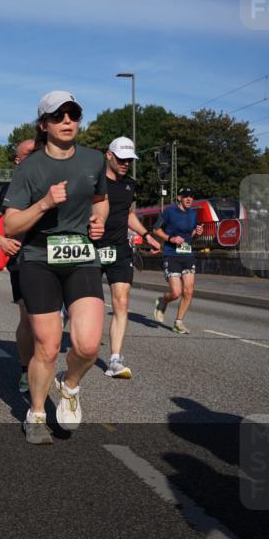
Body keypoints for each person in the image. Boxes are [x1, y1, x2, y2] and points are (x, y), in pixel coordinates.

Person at [3, 91, 108, 444]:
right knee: (47, 347)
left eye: (73, 115)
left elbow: (101, 200)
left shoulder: (94, 160)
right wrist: (44, 203)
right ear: (43, 124)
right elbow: (11, 224)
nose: (67, 121)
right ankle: (36, 414)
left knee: (89, 346)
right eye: (58, 116)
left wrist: (98, 220)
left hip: (82, 256)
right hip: (39, 260)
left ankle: (70, 385)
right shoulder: (29, 168)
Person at [97, 137, 163, 377]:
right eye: (121, 159)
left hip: (119, 248)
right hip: (92, 247)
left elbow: (128, 215)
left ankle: (115, 360)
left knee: (122, 301)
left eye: (129, 160)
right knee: (85, 304)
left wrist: (146, 235)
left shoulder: (130, 184)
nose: (126, 164)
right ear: (109, 155)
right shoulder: (94, 180)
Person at [0, 138, 36, 393]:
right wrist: (1, 241)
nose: (36, 157)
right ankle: (26, 369)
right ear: (18, 161)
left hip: (56, 259)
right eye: (29, 154)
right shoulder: (12, 187)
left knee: (53, 320)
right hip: (23, 258)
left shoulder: (57, 181)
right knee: (27, 314)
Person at [153, 188, 203, 334]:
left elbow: (192, 235)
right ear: (179, 198)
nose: (189, 199)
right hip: (171, 254)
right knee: (176, 292)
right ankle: (163, 301)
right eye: (186, 196)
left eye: (191, 196)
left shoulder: (193, 214)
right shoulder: (169, 211)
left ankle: (178, 322)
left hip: (187, 254)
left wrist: (198, 233)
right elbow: (156, 229)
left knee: (188, 291)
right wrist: (171, 238)